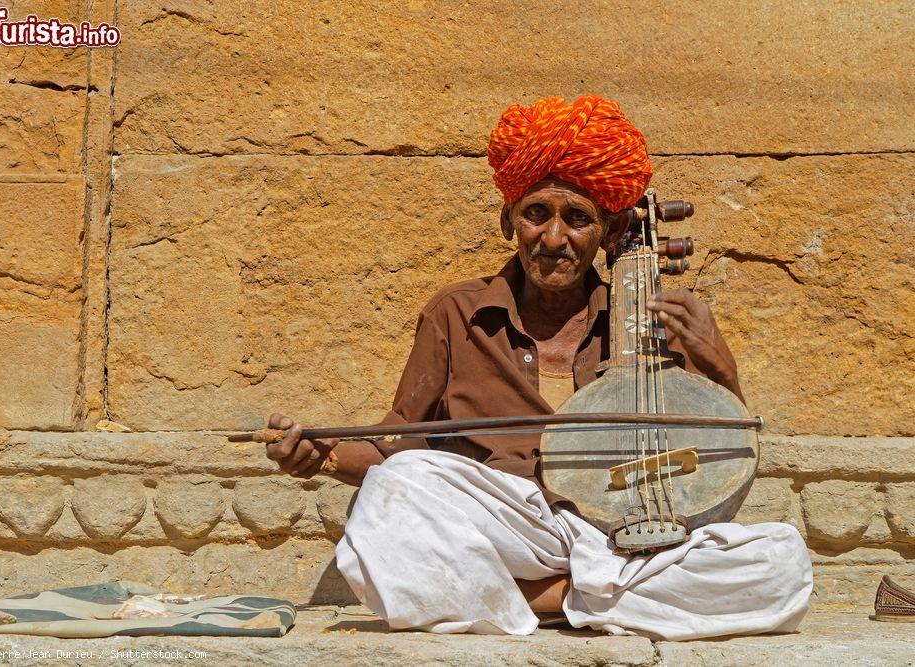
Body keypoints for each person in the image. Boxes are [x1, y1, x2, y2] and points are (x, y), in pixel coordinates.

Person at [264, 95, 812, 640]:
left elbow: (724, 455)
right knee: (394, 491)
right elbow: (399, 441)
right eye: (536, 214)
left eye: (577, 218)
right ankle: (599, 595)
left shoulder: (653, 324)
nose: (554, 238)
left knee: (782, 563)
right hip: (505, 524)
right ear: (509, 221)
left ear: (608, 230)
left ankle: (533, 598)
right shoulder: (456, 313)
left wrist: (721, 367)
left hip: (619, 536)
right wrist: (325, 455)